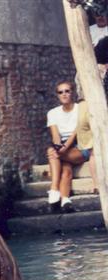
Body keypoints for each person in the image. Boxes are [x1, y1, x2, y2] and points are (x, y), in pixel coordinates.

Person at [46, 81, 96, 209]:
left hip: (80, 144)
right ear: (57, 95)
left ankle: (54, 188)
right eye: (60, 92)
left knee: (51, 153)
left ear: (72, 93)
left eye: (67, 91)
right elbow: (56, 136)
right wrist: (58, 147)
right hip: (63, 148)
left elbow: (77, 131)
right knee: (66, 170)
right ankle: (65, 200)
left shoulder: (80, 109)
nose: (64, 94)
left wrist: (62, 149)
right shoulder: (52, 113)